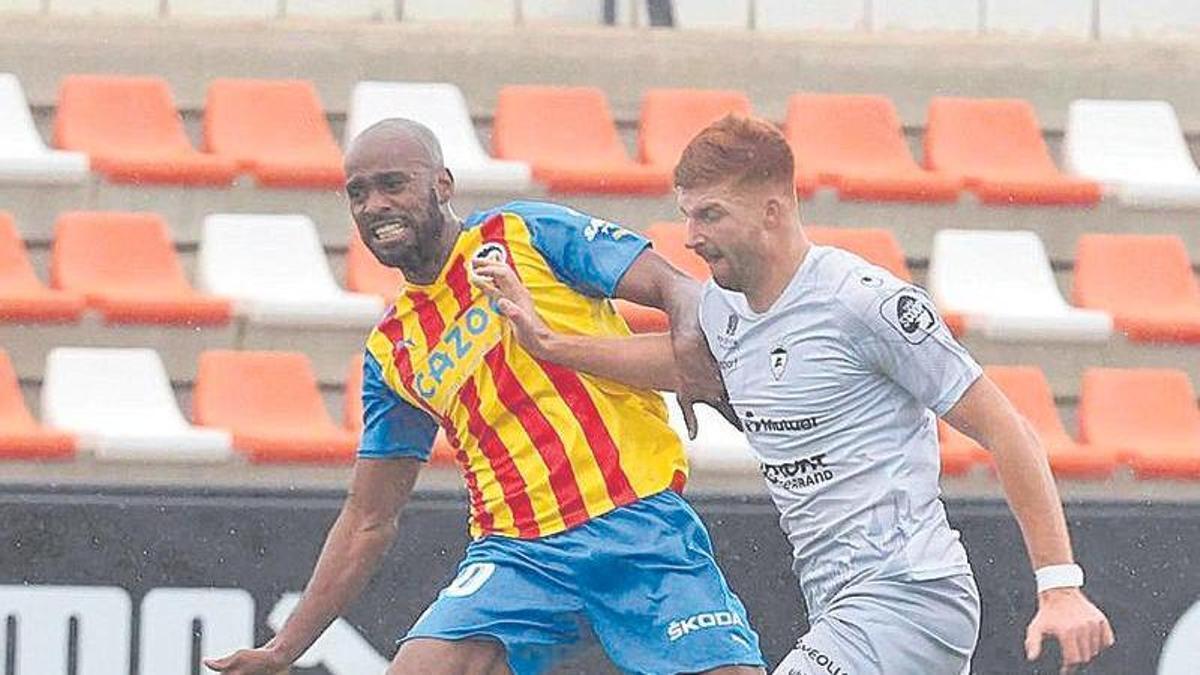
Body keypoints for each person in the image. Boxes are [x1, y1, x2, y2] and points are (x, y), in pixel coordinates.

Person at [471, 114, 1116, 675]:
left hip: (908, 595)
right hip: (839, 605)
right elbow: (674, 363)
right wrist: (548, 344)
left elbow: (1009, 430)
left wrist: (1060, 586)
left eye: (710, 214)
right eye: (687, 214)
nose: (691, 236)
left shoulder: (863, 303)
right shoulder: (724, 310)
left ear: (772, 210)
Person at [204, 118, 766, 675]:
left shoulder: (522, 233)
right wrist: (284, 649)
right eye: (358, 193)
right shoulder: (393, 350)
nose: (374, 205)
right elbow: (369, 518)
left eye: (393, 184)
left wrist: (695, 350)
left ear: (442, 185)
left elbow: (678, 287)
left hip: (636, 521)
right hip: (519, 554)